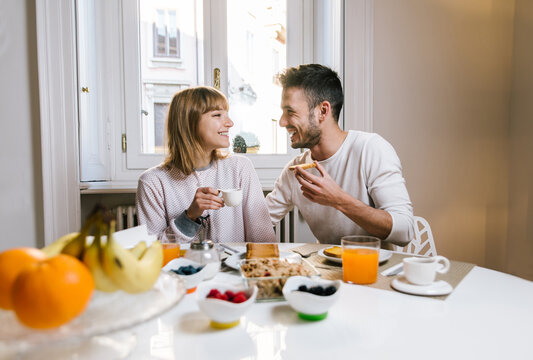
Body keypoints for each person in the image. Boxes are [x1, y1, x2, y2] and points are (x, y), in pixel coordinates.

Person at [266, 64, 414, 246]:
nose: (282, 122)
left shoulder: (371, 149)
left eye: (290, 112)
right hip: (323, 272)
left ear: (323, 111)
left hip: (376, 271)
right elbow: (259, 223)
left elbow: (405, 231)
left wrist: (339, 200)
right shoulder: (294, 171)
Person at [136, 86, 276, 243]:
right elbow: (152, 251)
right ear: (189, 123)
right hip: (179, 268)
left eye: (227, 115)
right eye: (217, 115)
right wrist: (189, 217)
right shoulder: (152, 182)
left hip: (236, 267)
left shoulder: (240, 168)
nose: (230, 123)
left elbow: (264, 240)